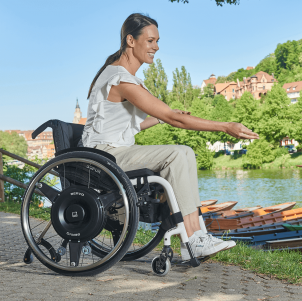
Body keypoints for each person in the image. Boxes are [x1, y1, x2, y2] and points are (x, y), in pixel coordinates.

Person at [82, 13, 259, 260]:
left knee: (184, 153)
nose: (157, 47)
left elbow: (124, 129)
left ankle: (194, 238)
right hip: (104, 157)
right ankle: (194, 239)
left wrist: (160, 118)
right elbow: (175, 121)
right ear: (131, 41)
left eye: (158, 41)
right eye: (151, 40)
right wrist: (225, 126)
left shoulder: (123, 77)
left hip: (110, 150)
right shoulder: (120, 79)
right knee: (179, 153)